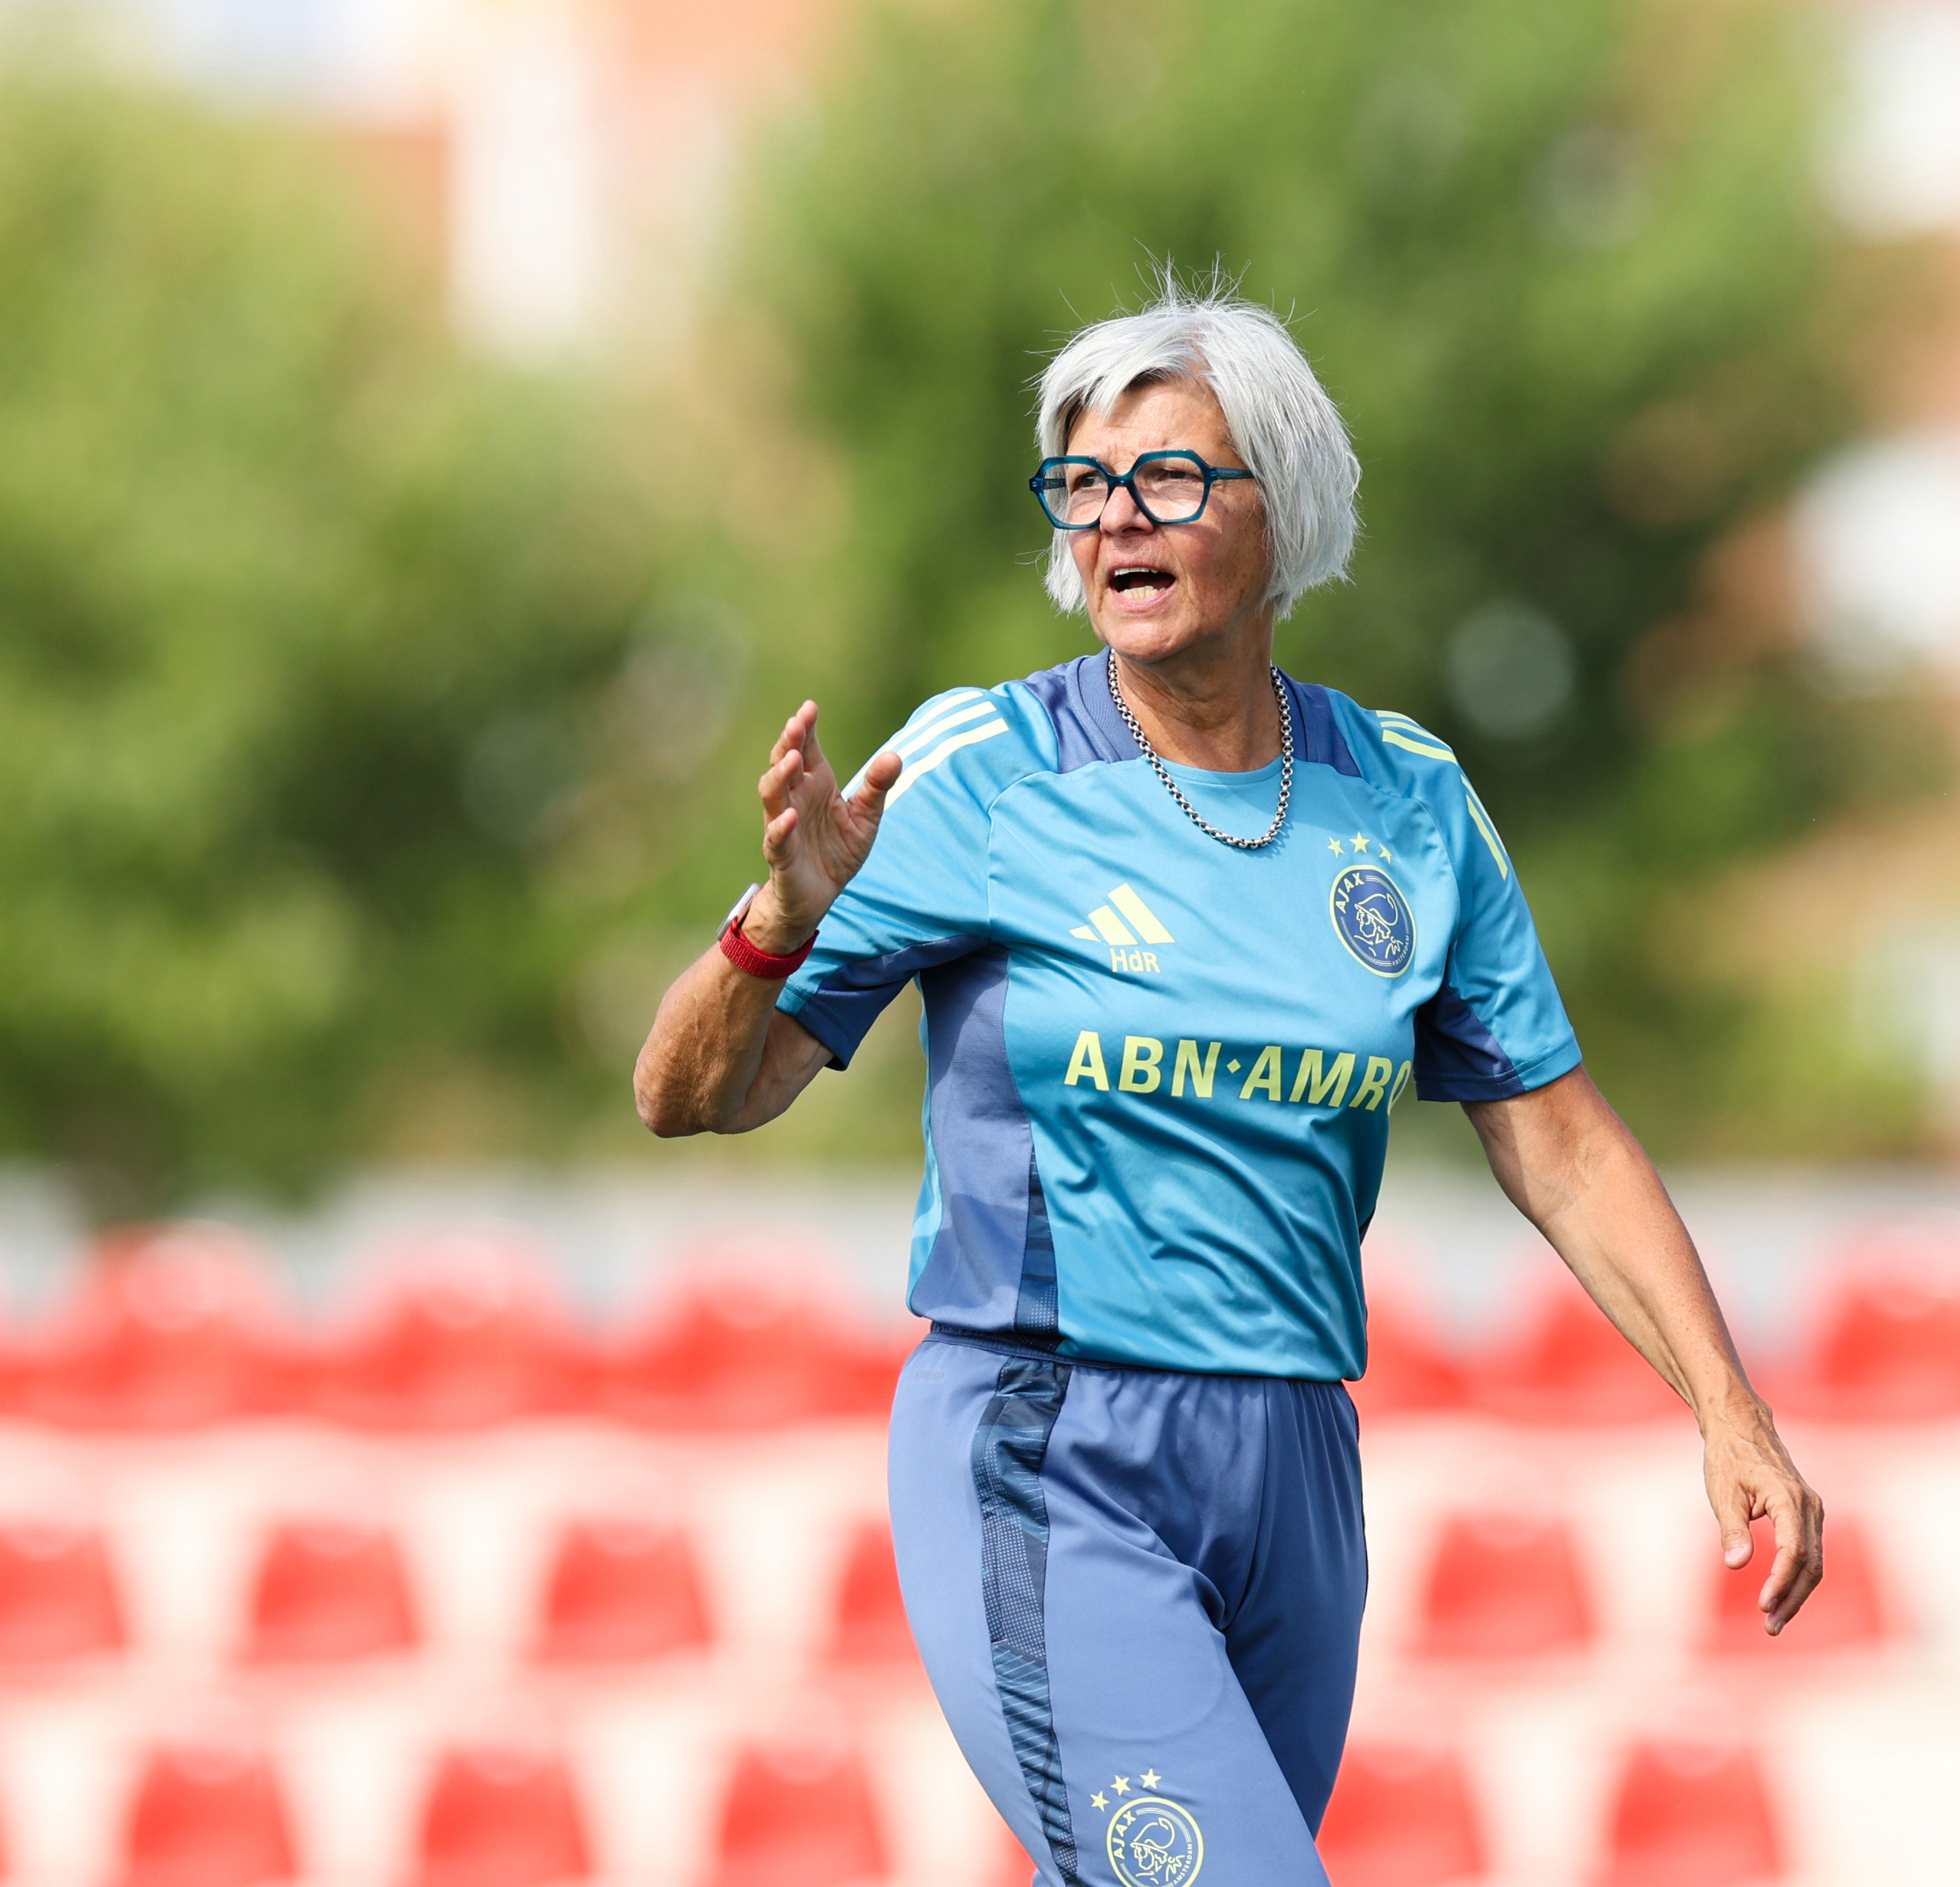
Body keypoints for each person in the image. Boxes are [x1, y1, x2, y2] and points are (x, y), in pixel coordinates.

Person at [634, 281, 1821, 1886]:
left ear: (1287, 505)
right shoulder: (978, 771)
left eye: (1170, 479)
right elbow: (695, 1091)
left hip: (1297, 1473)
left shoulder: (1404, 800)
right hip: (1050, 1443)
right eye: (1085, 485)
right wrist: (780, 920)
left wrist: (1726, 1404)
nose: (1117, 519)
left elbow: (1558, 1138)